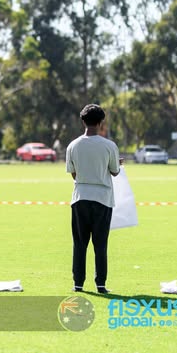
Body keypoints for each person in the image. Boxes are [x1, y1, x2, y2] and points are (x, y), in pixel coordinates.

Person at [66, 103, 120, 294]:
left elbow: (73, 174)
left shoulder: (73, 145)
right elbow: (115, 171)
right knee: (100, 244)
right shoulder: (109, 146)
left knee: (80, 243)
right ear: (100, 122)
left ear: (83, 121)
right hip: (103, 198)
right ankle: (101, 284)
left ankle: (78, 283)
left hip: (80, 197)